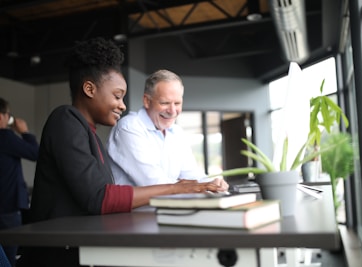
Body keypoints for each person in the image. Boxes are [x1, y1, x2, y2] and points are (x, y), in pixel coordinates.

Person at [16, 38, 222, 267]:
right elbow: (98, 197)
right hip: (54, 257)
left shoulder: (90, 133)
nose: (123, 105)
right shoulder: (65, 119)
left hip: (78, 251)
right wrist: (176, 187)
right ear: (89, 89)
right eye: (117, 95)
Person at [106, 69, 228, 189]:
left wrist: (213, 183)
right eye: (165, 103)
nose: (172, 111)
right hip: (136, 209)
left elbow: (191, 174)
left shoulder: (176, 132)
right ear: (147, 101)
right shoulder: (129, 128)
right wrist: (202, 186)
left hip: (168, 207)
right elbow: (155, 183)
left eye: (177, 103)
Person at [0, 98, 39, 267]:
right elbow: (36, 153)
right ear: (1, 117)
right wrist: (25, 132)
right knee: (9, 259)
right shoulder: (5, 137)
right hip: (8, 209)